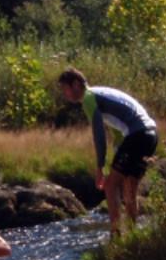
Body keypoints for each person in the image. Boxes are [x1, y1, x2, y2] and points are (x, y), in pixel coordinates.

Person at [58, 67, 158, 235]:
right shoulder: (100, 92)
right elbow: (119, 132)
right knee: (129, 188)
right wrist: (116, 156)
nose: (65, 94)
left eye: (65, 89)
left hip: (138, 134)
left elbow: (99, 134)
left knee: (110, 185)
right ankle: (133, 235)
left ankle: (116, 235)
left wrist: (100, 167)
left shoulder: (89, 98)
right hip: (151, 134)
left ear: (75, 84)